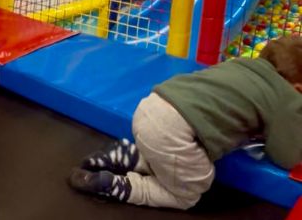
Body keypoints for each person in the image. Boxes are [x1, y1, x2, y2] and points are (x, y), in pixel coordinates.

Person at [69, 36, 302, 210]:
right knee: (190, 192)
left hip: (152, 105)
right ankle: (119, 186)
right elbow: (286, 156)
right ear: (298, 88)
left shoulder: (241, 64)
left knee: (175, 162)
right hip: (174, 130)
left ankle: (132, 156)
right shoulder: (288, 97)